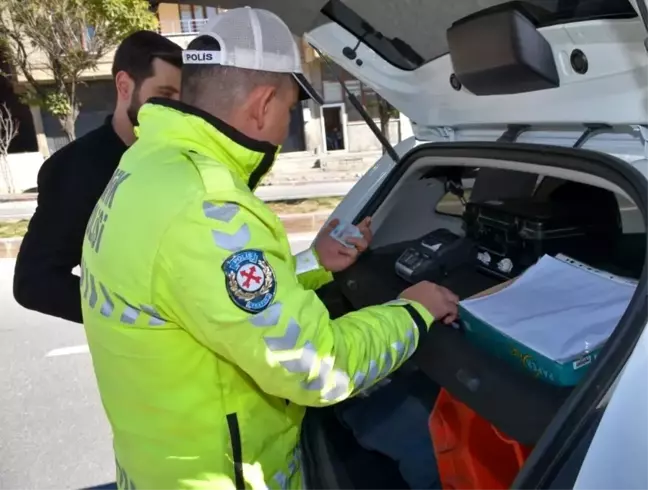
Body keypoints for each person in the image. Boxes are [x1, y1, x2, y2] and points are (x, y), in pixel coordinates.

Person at [80, 8, 458, 490]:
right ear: (262, 105)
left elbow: (209, 297)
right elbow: (318, 367)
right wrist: (413, 312)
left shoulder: (148, 165)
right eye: (289, 109)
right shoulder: (209, 206)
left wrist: (314, 264)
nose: (285, 125)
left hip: (158, 464)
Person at [13, 31, 183, 323]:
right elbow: (35, 282)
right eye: (164, 96)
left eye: (182, 99)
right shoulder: (74, 169)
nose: (176, 110)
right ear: (124, 85)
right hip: (136, 356)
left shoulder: (183, 158)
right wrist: (133, 318)